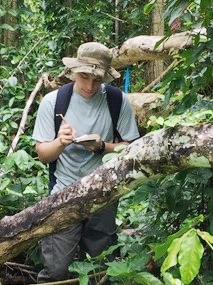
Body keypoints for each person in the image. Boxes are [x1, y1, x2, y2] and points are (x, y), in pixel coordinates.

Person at [32, 42, 140, 282]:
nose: (90, 86)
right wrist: (60, 142)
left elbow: (133, 149)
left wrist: (103, 147)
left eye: (97, 80)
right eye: (84, 77)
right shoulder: (53, 102)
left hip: (105, 193)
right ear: (73, 71)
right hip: (64, 192)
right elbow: (42, 154)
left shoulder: (116, 100)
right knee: (56, 270)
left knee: (102, 267)